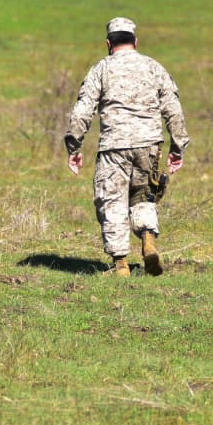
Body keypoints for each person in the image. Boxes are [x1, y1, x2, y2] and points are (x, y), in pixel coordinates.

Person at [65, 17, 190, 277]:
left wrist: (74, 146)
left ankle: (121, 264)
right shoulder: (154, 67)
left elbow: (82, 112)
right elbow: (174, 110)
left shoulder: (100, 69)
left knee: (111, 201)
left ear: (108, 43)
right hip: (149, 146)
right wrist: (177, 148)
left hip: (113, 147)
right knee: (144, 196)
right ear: (135, 42)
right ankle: (148, 240)